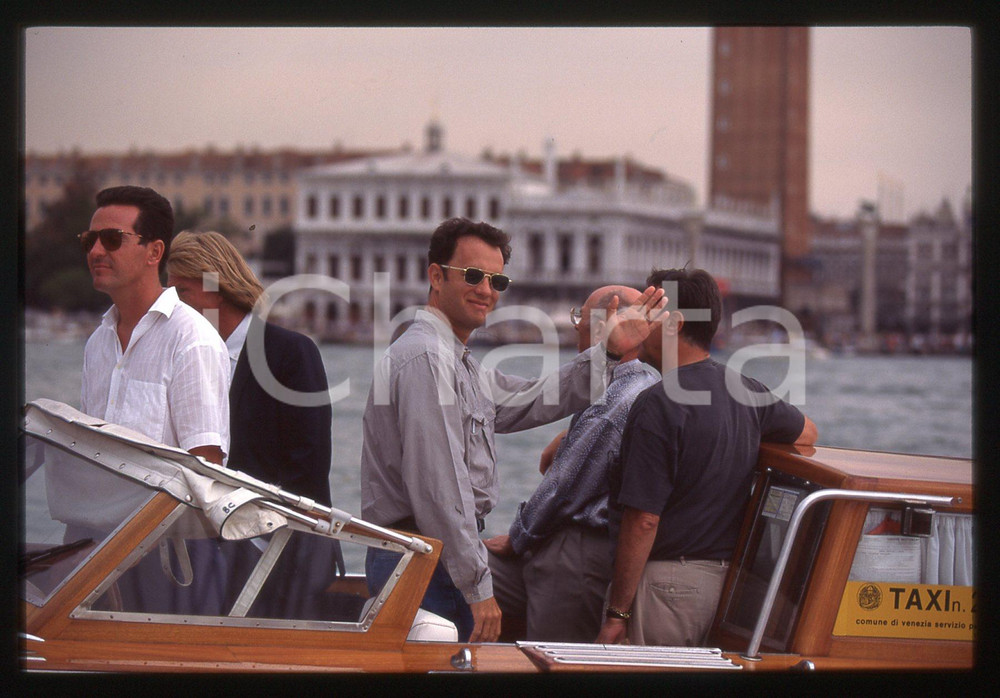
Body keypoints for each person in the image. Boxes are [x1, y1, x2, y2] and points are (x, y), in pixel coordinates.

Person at [360, 217, 666, 643]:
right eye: (472, 275)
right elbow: (440, 488)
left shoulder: (451, 358)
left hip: (430, 557)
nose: (486, 290)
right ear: (435, 275)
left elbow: (528, 400)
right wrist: (478, 588)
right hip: (425, 560)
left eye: (496, 280)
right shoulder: (429, 360)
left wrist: (610, 351)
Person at [597, 267, 818, 647]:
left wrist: (617, 613)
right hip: (726, 584)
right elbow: (808, 432)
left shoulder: (658, 402)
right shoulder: (744, 388)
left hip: (665, 585)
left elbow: (644, 520)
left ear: (675, 324)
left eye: (646, 313)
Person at [166, 231, 349, 619]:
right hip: (208, 552)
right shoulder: (183, 356)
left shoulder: (289, 353)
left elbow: (309, 465)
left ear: (215, 290)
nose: (172, 306)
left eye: (181, 293)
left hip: (281, 553)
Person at [75, 185, 231, 614]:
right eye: (90, 240)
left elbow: (206, 469)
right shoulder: (98, 343)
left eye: (111, 239)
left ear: (154, 251)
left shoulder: (192, 340)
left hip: (170, 561)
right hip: (95, 548)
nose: (96, 251)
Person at [484, 285, 659, 642]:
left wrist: (517, 537)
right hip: (574, 546)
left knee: (550, 660)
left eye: (579, 317)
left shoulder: (614, 399)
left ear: (602, 327)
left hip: (573, 555)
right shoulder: (643, 382)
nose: (575, 326)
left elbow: (563, 486)